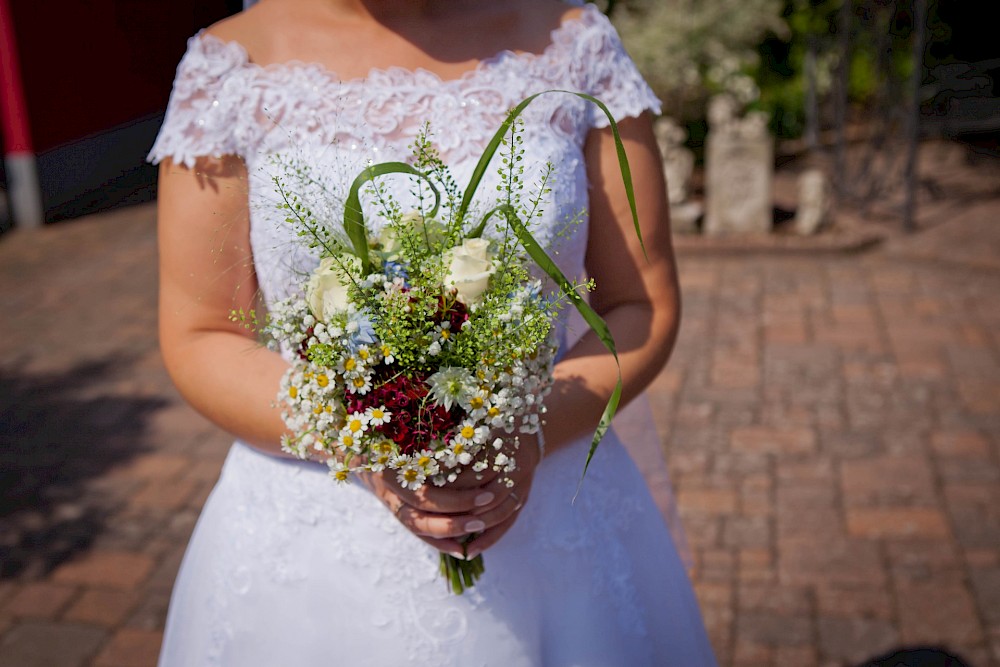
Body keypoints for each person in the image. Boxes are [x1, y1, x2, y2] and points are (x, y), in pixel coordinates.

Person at [150, 0, 718, 664]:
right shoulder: (229, 68)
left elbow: (639, 305)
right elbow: (201, 332)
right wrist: (369, 440)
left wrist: (527, 431)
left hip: (551, 505)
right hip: (313, 542)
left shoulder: (574, 41)